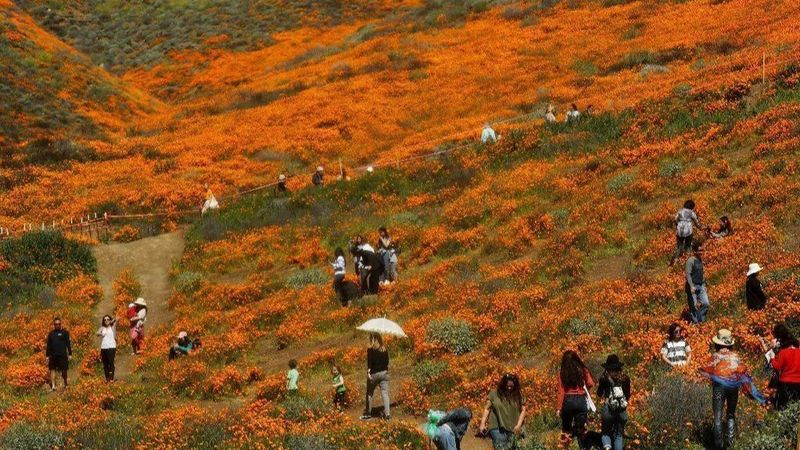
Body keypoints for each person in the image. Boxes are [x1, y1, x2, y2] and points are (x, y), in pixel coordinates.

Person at [699, 329, 766, 449]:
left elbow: (707, 371)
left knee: (718, 417)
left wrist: (716, 376)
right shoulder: (735, 356)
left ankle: (718, 445)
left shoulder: (715, 356)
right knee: (730, 414)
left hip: (719, 388)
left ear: (718, 343)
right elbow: (742, 371)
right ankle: (730, 443)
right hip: (733, 388)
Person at [479, 373, 527, 450]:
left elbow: (523, 410)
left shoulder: (519, 395)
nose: (509, 388)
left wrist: (519, 425)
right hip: (496, 426)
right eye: (507, 386)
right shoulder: (494, 393)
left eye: (511, 386)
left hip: (513, 427)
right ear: (503, 384)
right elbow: (487, 409)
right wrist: (482, 423)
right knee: (501, 447)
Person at [558, 350, 595, 448]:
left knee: (566, 429)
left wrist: (559, 408)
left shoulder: (563, 372)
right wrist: (588, 396)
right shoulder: (583, 370)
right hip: (581, 401)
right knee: (581, 430)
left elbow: (561, 391)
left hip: (568, 401)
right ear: (576, 358)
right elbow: (591, 384)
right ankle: (583, 447)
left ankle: (564, 446)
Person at [597, 355, 631, 450]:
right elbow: (628, 395)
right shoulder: (625, 379)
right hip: (621, 410)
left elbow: (599, 393)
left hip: (608, 409)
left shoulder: (604, 378)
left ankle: (607, 448)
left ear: (607, 368)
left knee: (605, 432)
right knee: (619, 435)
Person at [766, 324, 800, 409]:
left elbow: (777, 367)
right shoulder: (798, 351)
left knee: (782, 407)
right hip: (798, 383)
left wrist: (772, 358)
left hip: (785, 384)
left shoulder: (783, 352)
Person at [361, 333, 390, 420]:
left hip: (374, 374)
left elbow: (369, 363)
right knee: (385, 393)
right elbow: (387, 362)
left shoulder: (370, 350)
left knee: (369, 393)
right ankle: (387, 414)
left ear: (372, 340)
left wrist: (368, 372)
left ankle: (368, 413)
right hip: (384, 373)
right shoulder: (384, 349)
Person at [670, 199, 701, 266]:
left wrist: (677, 225)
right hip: (688, 231)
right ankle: (687, 262)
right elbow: (696, 222)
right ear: (692, 206)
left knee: (679, 247)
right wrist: (700, 227)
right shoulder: (691, 213)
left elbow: (675, 219)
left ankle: (675, 262)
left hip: (679, 231)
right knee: (688, 246)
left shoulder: (680, 211)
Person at [685, 241, 709, 324]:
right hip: (693, 286)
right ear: (694, 251)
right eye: (699, 250)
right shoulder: (690, 261)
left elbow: (702, 273)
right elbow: (688, 274)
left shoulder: (700, 260)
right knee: (694, 306)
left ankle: (700, 320)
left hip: (700, 285)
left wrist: (704, 284)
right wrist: (691, 286)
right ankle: (696, 323)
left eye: (702, 250)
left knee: (706, 303)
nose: (701, 252)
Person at [45, 317, 72, 391]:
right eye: (56, 324)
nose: (57, 325)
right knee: (52, 370)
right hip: (53, 355)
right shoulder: (51, 334)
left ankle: (65, 383)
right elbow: (48, 346)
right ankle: (53, 386)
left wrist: (70, 354)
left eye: (59, 324)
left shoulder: (65, 332)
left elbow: (68, 344)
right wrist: (47, 356)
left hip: (62, 355)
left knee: (64, 370)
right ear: (54, 324)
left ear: (61, 324)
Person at [96, 315, 117, 382]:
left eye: (108, 319)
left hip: (111, 347)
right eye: (105, 320)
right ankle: (107, 378)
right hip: (104, 347)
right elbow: (97, 333)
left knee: (111, 362)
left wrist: (111, 321)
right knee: (105, 363)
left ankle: (111, 378)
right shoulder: (102, 328)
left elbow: (117, 318)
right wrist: (101, 333)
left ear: (110, 320)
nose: (106, 321)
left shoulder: (112, 327)